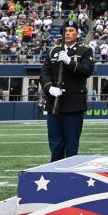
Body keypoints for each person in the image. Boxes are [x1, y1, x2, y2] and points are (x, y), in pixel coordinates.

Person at [40, 20, 94, 161]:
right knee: (55, 143)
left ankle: (70, 176)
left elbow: (87, 71)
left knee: (71, 146)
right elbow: (44, 73)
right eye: (65, 31)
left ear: (77, 33)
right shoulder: (53, 51)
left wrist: (70, 62)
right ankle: (55, 171)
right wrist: (49, 87)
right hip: (54, 104)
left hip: (73, 104)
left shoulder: (85, 50)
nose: (68, 33)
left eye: (71, 30)